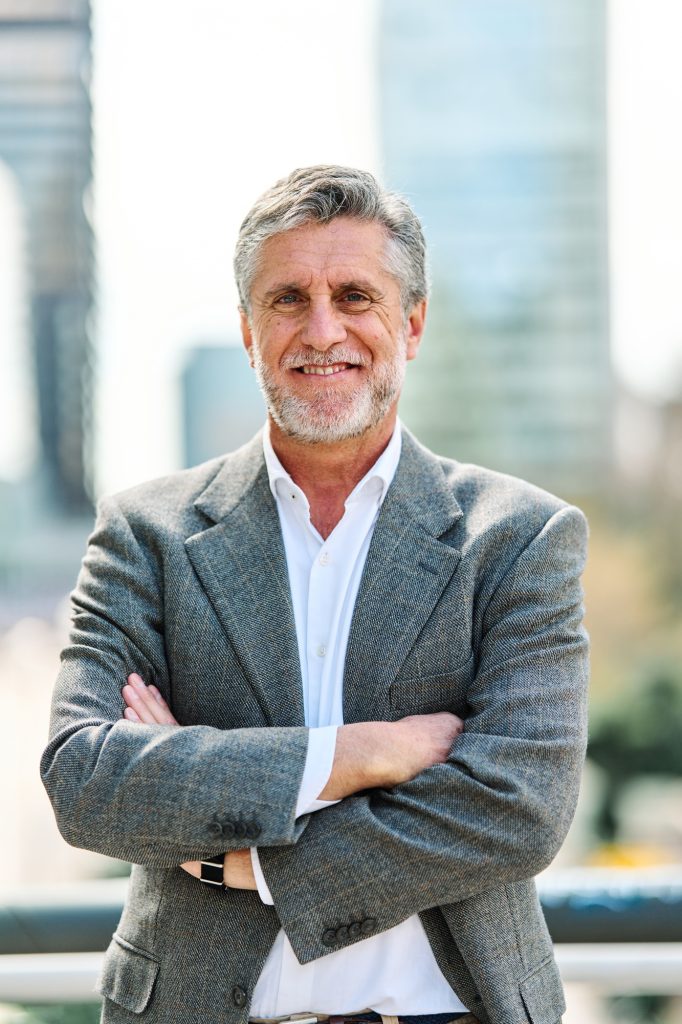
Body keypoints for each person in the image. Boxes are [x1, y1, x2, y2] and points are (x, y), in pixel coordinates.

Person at [41, 165, 589, 1024]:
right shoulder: (145, 534)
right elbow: (86, 779)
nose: (322, 328)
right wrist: (358, 755)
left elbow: (517, 808)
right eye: (288, 298)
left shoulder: (518, 539)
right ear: (249, 329)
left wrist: (241, 859)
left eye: (356, 296)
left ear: (411, 324)